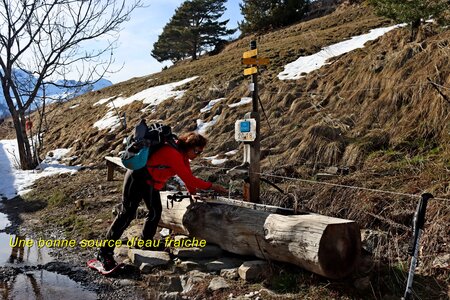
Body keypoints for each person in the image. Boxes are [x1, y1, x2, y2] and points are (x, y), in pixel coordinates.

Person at [97, 131, 227, 270]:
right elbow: (189, 179)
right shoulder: (172, 153)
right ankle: (104, 253)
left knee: (155, 212)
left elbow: (187, 175)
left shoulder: (182, 155)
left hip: (151, 182)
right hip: (137, 177)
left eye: (200, 152)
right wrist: (212, 186)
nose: (197, 155)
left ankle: (145, 243)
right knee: (126, 214)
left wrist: (192, 193)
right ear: (188, 146)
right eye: (196, 151)